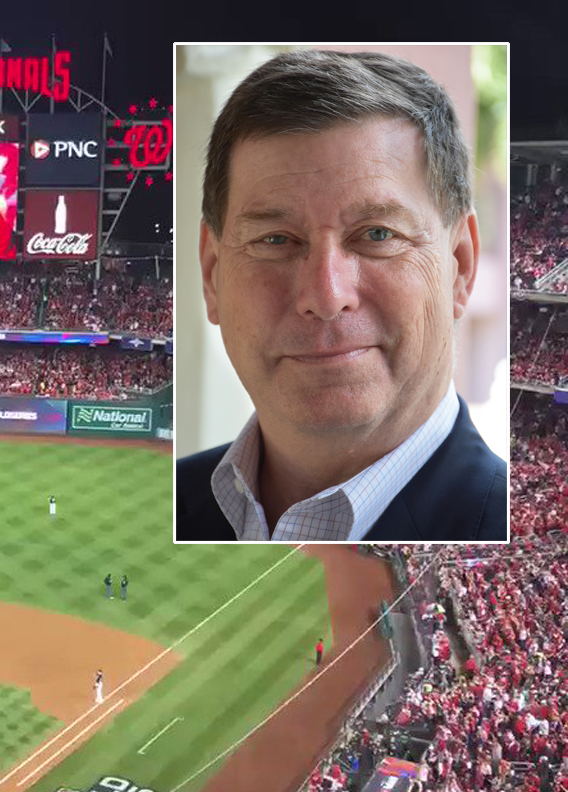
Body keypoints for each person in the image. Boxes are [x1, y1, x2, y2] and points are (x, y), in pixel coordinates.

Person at [178, 50, 505, 541]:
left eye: (377, 235)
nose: (326, 295)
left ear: (459, 265)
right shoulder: (173, 500)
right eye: (275, 240)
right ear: (211, 274)